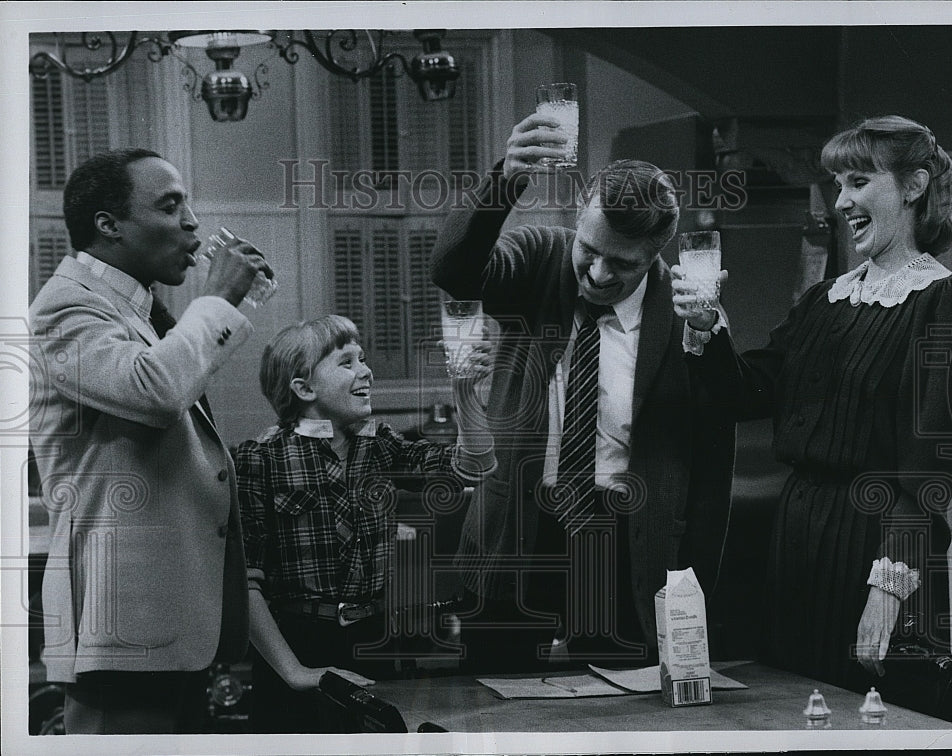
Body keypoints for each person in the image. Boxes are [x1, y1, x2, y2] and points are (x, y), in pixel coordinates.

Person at [672, 115, 952, 695]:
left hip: (879, 546)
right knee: (793, 705)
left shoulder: (944, 300)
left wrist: (888, 593)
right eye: (839, 185)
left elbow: (928, 470)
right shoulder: (825, 298)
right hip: (798, 538)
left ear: (913, 187)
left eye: (858, 182)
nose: (842, 202)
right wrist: (708, 328)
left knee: (872, 712)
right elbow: (748, 392)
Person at [430, 113, 737, 671]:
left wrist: (692, 581)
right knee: (499, 708)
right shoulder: (540, 258)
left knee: (621, 716)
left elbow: (713, 460)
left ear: (655, 256)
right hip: (517, 533)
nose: (596, 273)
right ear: (579, 221)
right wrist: (505, 179)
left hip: (623, 545)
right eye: (589, 250)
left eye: (622, 264)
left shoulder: (689, 313)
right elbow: (455, 271)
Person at [29, 148, 272, 733]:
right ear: (108, 225)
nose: (192, 221)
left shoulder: (137, 309)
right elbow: (156, 391)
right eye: (170, 205)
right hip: (125, 625)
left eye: (188, 202)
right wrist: (216, 300)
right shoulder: (66, 306)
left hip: (169, 623)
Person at [234, 314, 495, 732]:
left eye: (363, 358)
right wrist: (296, 671)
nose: (366, 370)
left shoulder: (378, 444)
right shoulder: (258, 459)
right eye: (346, 362)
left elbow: (474, 467)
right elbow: (244, 583)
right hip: (295, 646)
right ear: (304, 389)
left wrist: (466, 392)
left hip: (372, 641)